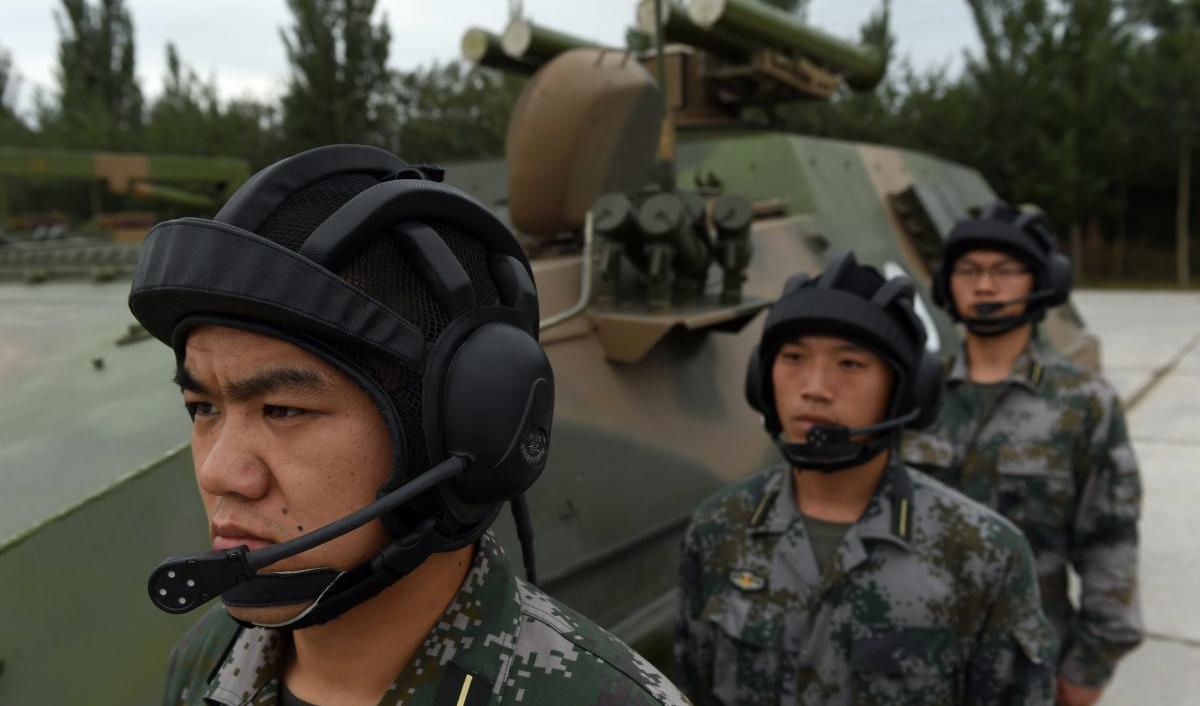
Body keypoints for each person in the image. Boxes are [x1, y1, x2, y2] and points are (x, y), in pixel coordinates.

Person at [130, 144, 690, 706]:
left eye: (283, 410)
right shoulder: (207, 662)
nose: (220, 473)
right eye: (203, 409)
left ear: (456, 432)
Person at [675, 251, 1057, 706]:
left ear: (904, 391)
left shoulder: (983, 553)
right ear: (762, 380)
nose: (814, 386)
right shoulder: (720, 527)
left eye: (850, 364)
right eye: (793, 357)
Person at [902, 202, 1144, 706]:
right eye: (969, 270)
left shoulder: (1082, 400)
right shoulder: (913, 395)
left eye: (1006, 270)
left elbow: (1110, 540)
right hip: (910, 657)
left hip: (1030, 663)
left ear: (1042, 282)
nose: (985, 286)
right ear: (948, 283)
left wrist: (1089, 667)